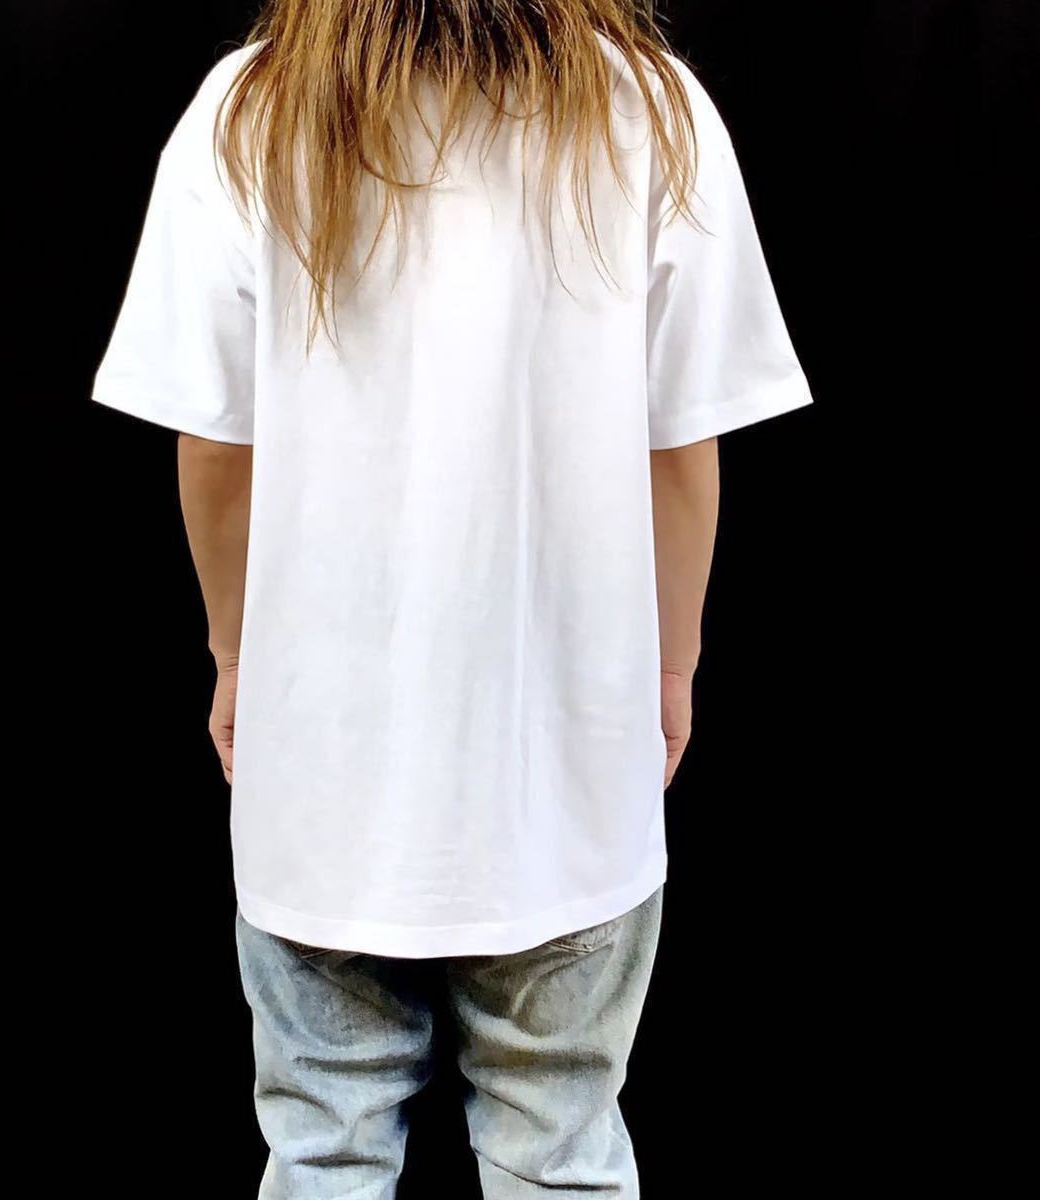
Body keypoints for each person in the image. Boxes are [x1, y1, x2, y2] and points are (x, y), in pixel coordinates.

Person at [90, 2, 814, 1195]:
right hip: (566, 769)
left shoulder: (250, 109)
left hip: (322, 774)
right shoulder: (652, 109)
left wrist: (235, 653)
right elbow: (681, 449)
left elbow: (216, 448)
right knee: (562, 1151)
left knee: (322, 1148)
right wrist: (672, 665)